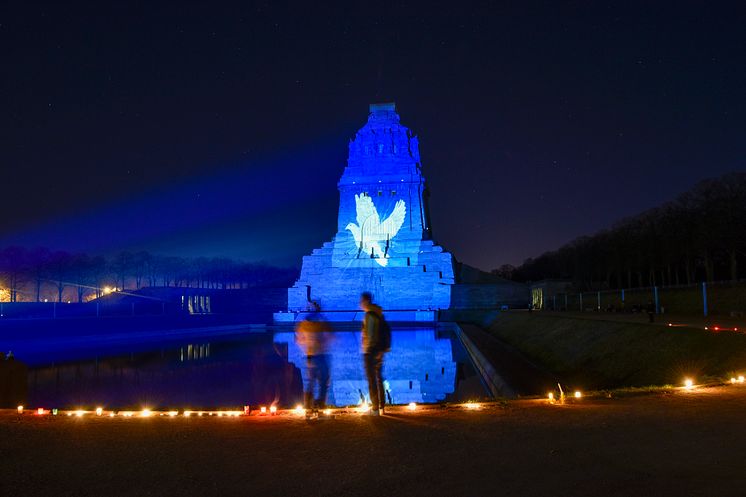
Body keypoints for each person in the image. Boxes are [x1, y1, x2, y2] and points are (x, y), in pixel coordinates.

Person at [295, 302, 332, 416]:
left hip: (311, 355)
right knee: (323, 379)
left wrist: (305, 346)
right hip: (319, 355)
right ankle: (319, 403)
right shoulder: (319, 321)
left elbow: (298, 339)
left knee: (312, 381)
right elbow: (330, 334)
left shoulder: (304, 323)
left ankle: (309, 405)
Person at [360, 292, 389, 416]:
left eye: (361, 301)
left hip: (371, 351)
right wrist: (380, 351)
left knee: (372, 379)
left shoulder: (369, 315)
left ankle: (375, 408)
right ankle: (381, 406)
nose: (360, 304)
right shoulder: (379, 314)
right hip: (379, 350)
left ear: (366, 301)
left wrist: (367, 349)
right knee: (378, 378)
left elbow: (370, 335)